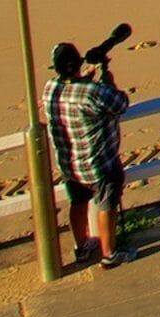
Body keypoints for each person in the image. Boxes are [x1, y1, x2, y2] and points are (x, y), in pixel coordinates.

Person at [43, 39, 132, 267]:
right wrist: (107, 80)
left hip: (69, 164)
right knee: (106, 204)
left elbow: (74, 91)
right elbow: (120, 103)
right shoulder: (92, 92)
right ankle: (109, 253)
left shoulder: (50, 89)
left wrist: (86, 78)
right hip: (98, 163)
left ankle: (81, 247)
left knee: (78, 202)